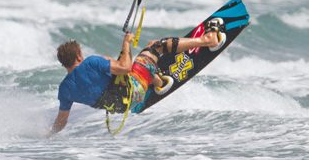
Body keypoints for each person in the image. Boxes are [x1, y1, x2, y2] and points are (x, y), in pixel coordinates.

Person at [51, 21, 225, 134]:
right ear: (79, 56)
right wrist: (126, 44)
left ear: (63, 63)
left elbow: (61, 121)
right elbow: (125, 67)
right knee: (156, 46)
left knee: (141, 59)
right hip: (135, 89)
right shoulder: (90, 63)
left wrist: (48, 135)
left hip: (125, 107)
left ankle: (158, 80)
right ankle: (207, 40)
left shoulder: (65, 89)